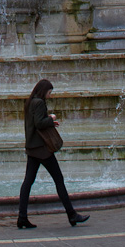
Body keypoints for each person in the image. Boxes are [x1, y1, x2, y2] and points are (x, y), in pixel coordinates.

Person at [17, 79, 89, 230]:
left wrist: (48, 121)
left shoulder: (29, 102)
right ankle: (72, 215)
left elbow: (34, 123)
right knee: (59, 180)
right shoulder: (39, 103)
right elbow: (39, 123)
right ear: (44, 91)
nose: (50, 95)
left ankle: (22, 217)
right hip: (42, 150)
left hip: (32, 147)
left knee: (28, 182)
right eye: (49, 92)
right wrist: (51, 119)